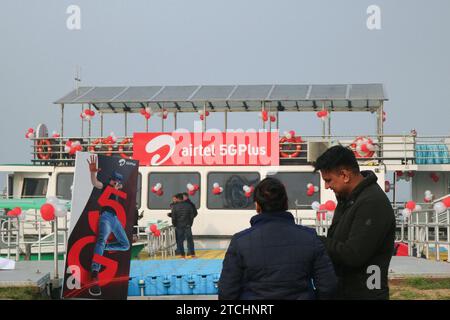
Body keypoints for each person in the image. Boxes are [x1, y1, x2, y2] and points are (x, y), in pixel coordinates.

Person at [218, 177, 337, 300]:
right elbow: (328, 286)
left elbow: (227, 292)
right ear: (285, 204)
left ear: (257, 206)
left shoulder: (240, 242)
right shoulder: (310, 237)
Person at [313, 145, 395, 300]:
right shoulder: (348, 199)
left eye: (328, 180)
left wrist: (314, 240)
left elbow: (354, 254)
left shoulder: (372, 203)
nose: (326, 186)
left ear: (344, 175)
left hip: (366, 294)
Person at [87, 155, 130, 296]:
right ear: (110, 180)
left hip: (115, 218)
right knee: (101, 239)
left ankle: (104, 248)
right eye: (113, 180)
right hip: (105, 216)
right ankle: (95, 270)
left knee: (125, 245)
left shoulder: (117, 188)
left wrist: (118, 186)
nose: (114, 182)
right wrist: (92, 172)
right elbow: (95, 183)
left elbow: (121, 186)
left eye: (116, 181)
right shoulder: (105, 186)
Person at [170, 193, 197, 258]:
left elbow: (174, 217)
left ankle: (182, 255)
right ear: (182, 198)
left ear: (178, 199)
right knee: (190, 239)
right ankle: (192, 254)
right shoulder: (188, 205)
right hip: (187, 225)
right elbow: (192, 215)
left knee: (180, 240)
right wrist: (190, 224)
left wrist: (175, 224)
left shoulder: (175, 206)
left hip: (179, 225)